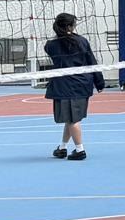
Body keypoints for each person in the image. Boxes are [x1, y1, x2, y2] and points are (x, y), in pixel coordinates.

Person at [44, 12, 104, 161]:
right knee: (71, 119)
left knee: (72, 119)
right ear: (71, 26)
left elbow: (54, 47)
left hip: (64, 86)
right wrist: (99, 82)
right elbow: (92, 62)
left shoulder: (50, 45)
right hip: (81, 84)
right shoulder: (82, 41)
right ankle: (62, 148)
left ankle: (80, 150)